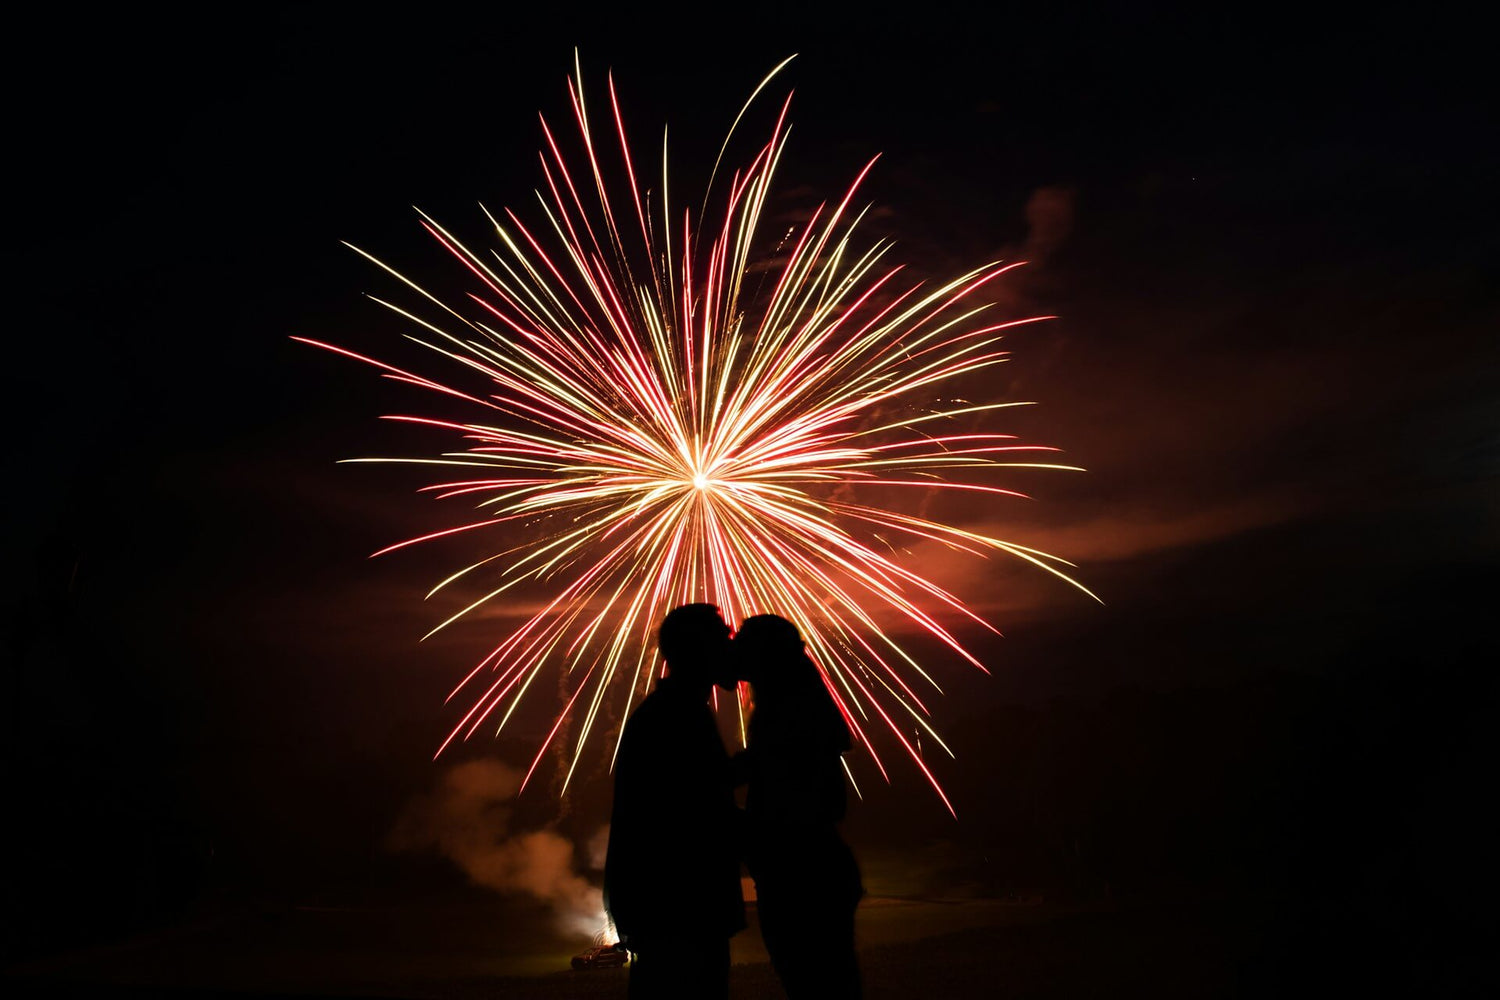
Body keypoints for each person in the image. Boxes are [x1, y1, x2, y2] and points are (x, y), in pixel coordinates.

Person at [603, 603, 745, 999]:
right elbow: (698, 810)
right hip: (680, 906)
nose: (731, 648)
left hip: (666, 905)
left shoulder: (672, 711)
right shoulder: (677, 717)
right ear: (699, 650)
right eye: (723, 639)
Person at [734, 614, 864, 999]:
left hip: (800, 868)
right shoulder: (802, 704)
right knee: (827, 979)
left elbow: (768, 768)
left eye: (744, 645)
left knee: (811, 979)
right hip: (815, 863)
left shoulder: (787, 713)